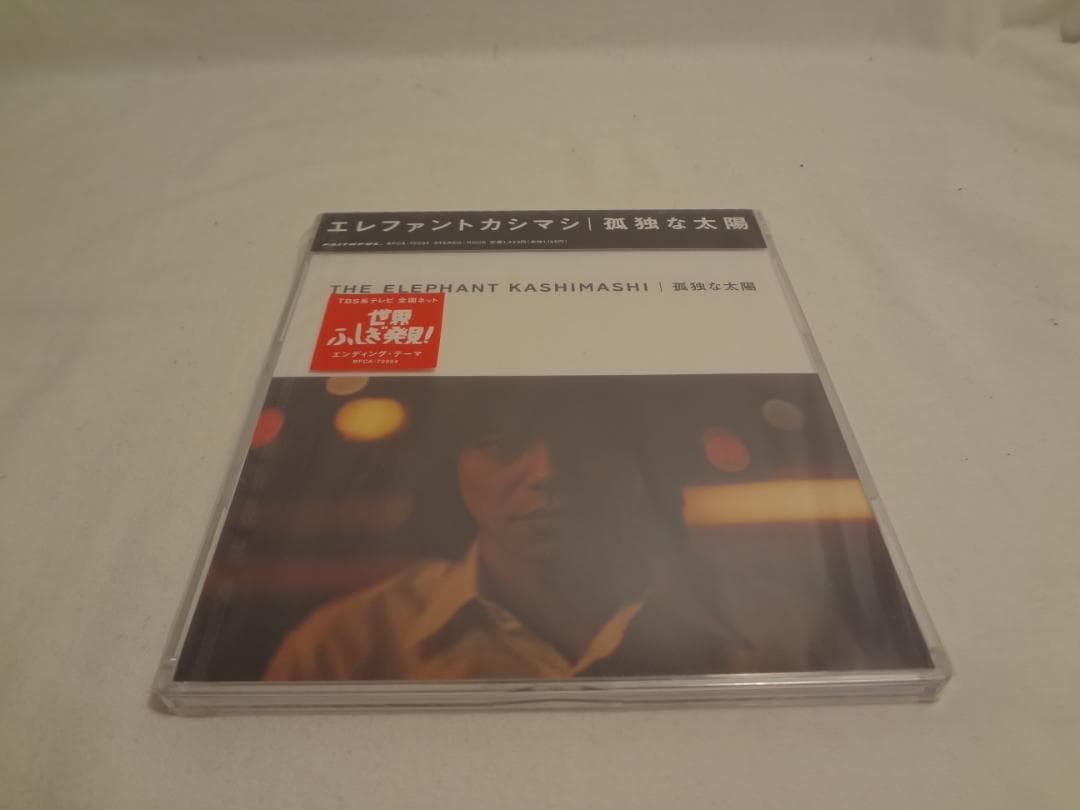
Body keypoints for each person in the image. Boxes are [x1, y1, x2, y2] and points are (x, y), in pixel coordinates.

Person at [264, 379, 745, 681]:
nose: (546, 472)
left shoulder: (759, 629)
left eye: (583, 439)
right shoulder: (343, 649)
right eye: (500, 443)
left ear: (640, 462)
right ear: (451, 469)